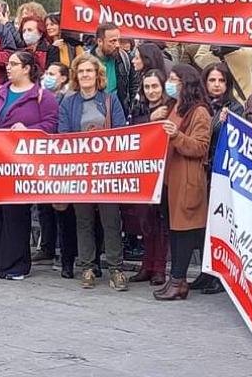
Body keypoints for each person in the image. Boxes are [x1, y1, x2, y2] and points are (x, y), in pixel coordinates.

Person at [0, 50, 58, 280]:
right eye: (8, 64)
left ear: (27, 69)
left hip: (18, 166)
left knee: (15, 213)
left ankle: (15, 263)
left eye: (14, 64)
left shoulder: (42, 96)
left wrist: (29, 130)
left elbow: (51, 124)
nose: (8, 68)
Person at [58, 54, 129, 291]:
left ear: (97, 75)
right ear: (76, 76)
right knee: (84, 220)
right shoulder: (68, 103)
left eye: (89, 71)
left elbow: (119, 132)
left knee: (111, 220)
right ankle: (87, 265)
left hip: (107, 169)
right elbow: (63, 134)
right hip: (79, 170)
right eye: (81, 71)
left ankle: (116, 268)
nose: (85, 75)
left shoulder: (110, 100)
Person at [152, 64, 213, 300]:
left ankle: (178, 280)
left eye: (174, 79)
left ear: (186, 84)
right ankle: (176, 280)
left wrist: (176, 135)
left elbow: (199, 147)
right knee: (174, 231)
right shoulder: (173, 107)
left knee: (184, 231)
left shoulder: (199, 112)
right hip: (170, 178)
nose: (170, 83)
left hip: (187, 178)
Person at [126, 69, 172, 286]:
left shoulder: (171, 108)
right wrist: (149, 119)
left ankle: (159, 267)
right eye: (147, 87)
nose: (152, 91)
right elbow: (131, 133)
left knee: (160, 220)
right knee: (144, 220)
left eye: (155, 86)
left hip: (163, 171)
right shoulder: (138, 108)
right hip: (142, 170)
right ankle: (146, 264)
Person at [34, 61, 76, 274]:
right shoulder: (41, 95)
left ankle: (63, 250)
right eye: (46, 73)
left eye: (52, 74)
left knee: (62, 207)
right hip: (44, 154)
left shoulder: (68, 98)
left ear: (64, 78)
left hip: (63, 156)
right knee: (44, 205)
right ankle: (46, 246)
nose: (46, 77)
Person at [92, 21, 137, 117]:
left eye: (118, 40)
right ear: (100, 41)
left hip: (118, 112)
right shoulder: (86, 62)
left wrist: (131, 108)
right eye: (112, 41)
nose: (117, 45)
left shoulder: (125, 58)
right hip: (93, 112)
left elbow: (134, 86)